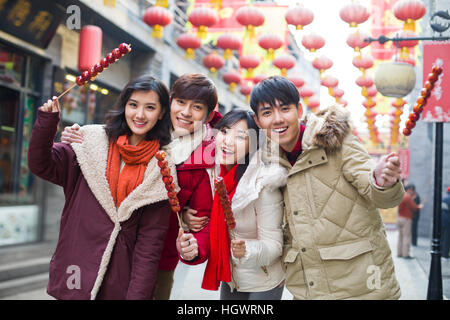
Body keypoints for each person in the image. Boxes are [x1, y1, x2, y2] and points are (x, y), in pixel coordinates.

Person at [60, 73, 221, 300]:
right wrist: (76, 136)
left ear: (208, 115)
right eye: (181, 102)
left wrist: (187, 230)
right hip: (112, 248)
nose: (185, 112)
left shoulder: (203, 160)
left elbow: (204, 220)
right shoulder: (143, 131)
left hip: (157, 259)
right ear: (169, 104)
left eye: (196, 107)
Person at [249, 76, 405, 300]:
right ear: (257, 120)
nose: (277, 119)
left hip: (362, 287)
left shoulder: (337, 141)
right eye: (267, 113)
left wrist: (381, 183)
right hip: (309, 288)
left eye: (285, 109)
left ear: (299, 109)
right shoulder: (268, 162)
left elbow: (375, 191)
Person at [27, 75, 175, 300]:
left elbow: (149, 246)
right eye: (133, 105)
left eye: (150, 107)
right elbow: (42, 164)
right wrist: (47, 123)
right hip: (76, 267)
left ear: (162, 113)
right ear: (124, 105)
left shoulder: (161, 167)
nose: (140, 115)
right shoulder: (90, 140)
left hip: (119, 279)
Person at [180, 109, 287, 300]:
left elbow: (274, 245)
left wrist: (247, 249)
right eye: (224, 131)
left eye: (240, 137)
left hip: (264, 280)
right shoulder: (213, 174)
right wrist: (192, 242)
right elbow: (208, 225)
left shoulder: (262, 185)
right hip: (230, 278)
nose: (227, 141)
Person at [397, 184, 423, 259]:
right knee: (406, 237)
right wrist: (419, 207)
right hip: (406, 219)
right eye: (412, 190)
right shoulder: (407, 197)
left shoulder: (401, 195)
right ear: (409, 189)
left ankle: (399, 253)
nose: (413, 192)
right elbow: (414, 206)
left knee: (400, 237)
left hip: (399, 218)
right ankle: (405, 254)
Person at [442, 186, 450, 260]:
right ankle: (445, 254)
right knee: (447, 238)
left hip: (441, 220)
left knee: (441, 237)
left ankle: (441, 253)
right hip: (448, 220)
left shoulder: (444, 197)